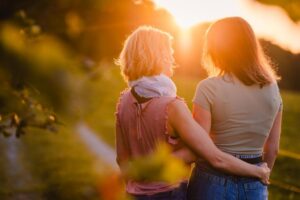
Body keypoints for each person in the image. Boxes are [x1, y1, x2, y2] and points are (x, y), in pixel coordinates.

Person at [115, 26, 270, 200]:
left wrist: (138, 183)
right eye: (169, 52)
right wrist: (257, 170)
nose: (172, 58)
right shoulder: (173, 107)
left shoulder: (124, 101)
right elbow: (213, 157)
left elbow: (122, 160)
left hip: (133, 194)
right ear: (158, 56)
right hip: (168, 194)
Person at [188, 17, 282, 200]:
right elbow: (273, 148)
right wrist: (261, 175)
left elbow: (198, 147)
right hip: (255, 184)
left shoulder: (208, 88)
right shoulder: (273, 88)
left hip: (211, 182)